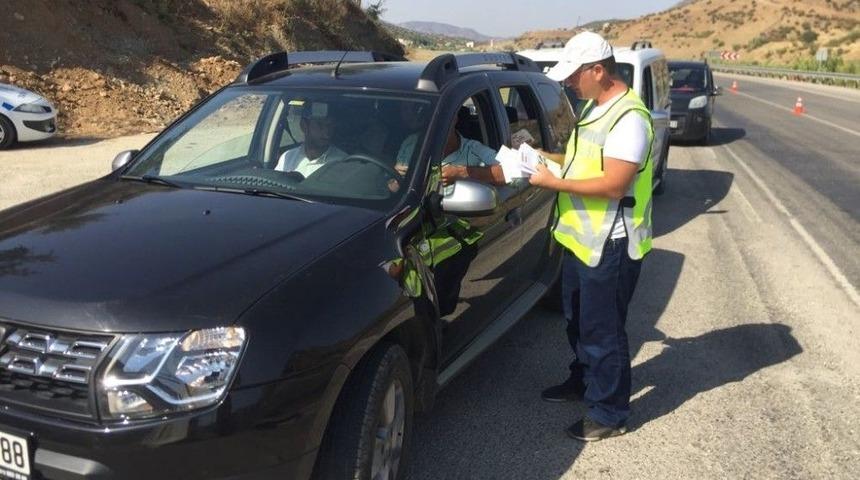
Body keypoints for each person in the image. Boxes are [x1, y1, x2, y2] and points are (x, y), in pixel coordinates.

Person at [528, 31, 654, 441]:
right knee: (579, 323)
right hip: (583, 240)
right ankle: (583, 381)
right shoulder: (595, 108)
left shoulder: (628, 118)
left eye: (574, 76)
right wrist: (544, 158)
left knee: (604, 332)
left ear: (599, 71)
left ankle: (609, 413)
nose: (568, 83)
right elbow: (584, 164)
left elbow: (615, 184)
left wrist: (552, 183)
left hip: (612, 244)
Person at [275, 101, 347, 176]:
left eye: (330, 126)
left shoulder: (342, 162)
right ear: (304, 126)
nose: (326, 133)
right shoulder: (288, 158)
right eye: (320, 125)